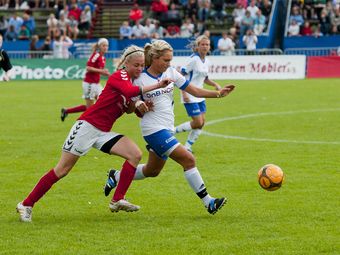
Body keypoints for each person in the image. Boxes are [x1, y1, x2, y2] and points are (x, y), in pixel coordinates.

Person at [16, 45, 172, 222]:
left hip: (103, 132)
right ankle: (26, 204)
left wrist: (141, 108)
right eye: (136, 65)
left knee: (134, 154)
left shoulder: (131, 81)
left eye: (142, 65)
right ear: (126, 64)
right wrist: (158, 85)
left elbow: (129, 108)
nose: (139, 69)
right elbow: (129, 92)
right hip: (86, 127)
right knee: (62, 169)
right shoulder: (119, 75)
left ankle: (117, 199)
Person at [104, 40, 235, 215]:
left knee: (152, 171)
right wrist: (140, 105)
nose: (169, 64)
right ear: (155, 58)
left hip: (167, 128)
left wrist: (218, 94)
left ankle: (116, 176)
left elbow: (194, 90)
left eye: (170, 60)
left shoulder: (171, 72)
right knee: (188, 160)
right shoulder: (139, 77)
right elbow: (131, 104)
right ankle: (208, 202)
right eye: (166, 60)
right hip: (153, 130)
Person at [175, 35, 222, 152]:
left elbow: (205, 79)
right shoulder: (193, 60)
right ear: (198, 46)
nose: (205, 46)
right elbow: (180, 76)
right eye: (203, 44)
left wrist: (215, 84)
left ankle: (187, 147)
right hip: (190, 94)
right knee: (197, 122)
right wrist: (184, 93)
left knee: (202, 123)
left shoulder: (207, 61)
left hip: (200, 95)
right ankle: (171, 132)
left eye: (207, 44)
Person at [61, 38, 110, 121]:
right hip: (90, 83)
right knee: (90, 108)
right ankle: (79, 120)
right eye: (103, 45)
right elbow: (88, 68)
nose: (105, 47)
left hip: (96, 84)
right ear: (99, 46)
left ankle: (67, 111)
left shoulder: (103, 58)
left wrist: (107, 74)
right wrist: (102, 71)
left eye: (107, 46)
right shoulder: (96, 55)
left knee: (103, 101)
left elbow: (98, 71)